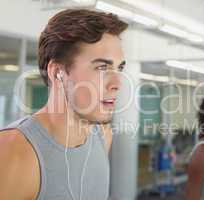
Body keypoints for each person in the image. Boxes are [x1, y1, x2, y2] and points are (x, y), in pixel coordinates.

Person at [0, 9, 128, 200]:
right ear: (57, 73)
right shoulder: (14, 151)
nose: (117, 84)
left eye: (119, 68)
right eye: (102, 67)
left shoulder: (102, 134)